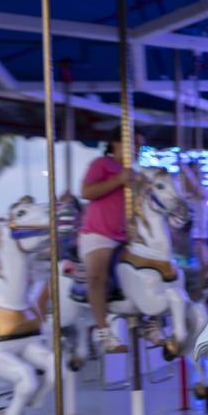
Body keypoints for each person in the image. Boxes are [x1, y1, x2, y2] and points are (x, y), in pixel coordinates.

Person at [78, 128, 130, 353]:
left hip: (123, 236)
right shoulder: (101, 164)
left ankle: (151, 323)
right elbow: (87, 192)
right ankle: (103, 332)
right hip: (98, 234)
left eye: (139, 144)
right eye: (132, 142)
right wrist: (119, 179)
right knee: (97, 277)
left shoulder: (133, 173)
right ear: (115, 143)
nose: (136, 148)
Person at [180, 160, 208, 286]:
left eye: (196, 174)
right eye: (194, 173)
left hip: (199, 237)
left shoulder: (203, 191)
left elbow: (196, 190)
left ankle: (198, 290)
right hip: (185, 237)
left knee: (205, 264)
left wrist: (185, 169)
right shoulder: (182, 195)